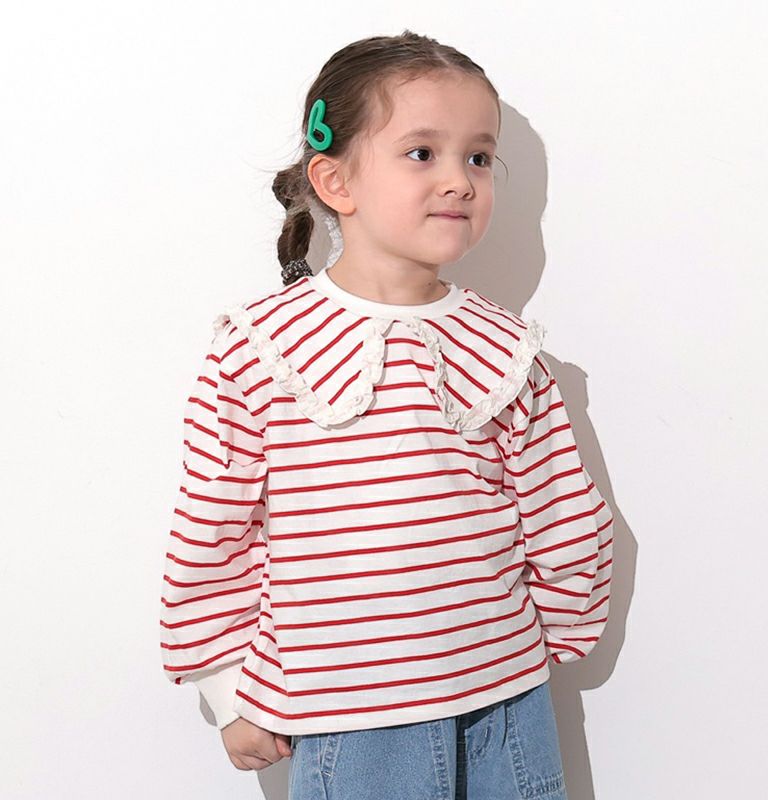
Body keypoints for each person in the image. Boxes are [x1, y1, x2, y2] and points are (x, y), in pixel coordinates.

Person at [158, 29, 614, 800]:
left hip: (505, 699)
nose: (460, 180)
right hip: (344, 716)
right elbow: (213, 526)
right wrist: (229, 686)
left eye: (479, 157)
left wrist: (561, 634)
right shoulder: (258, 349)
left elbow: (563, 511)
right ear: (335, 179)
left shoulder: (507, 350)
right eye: (422, 153)